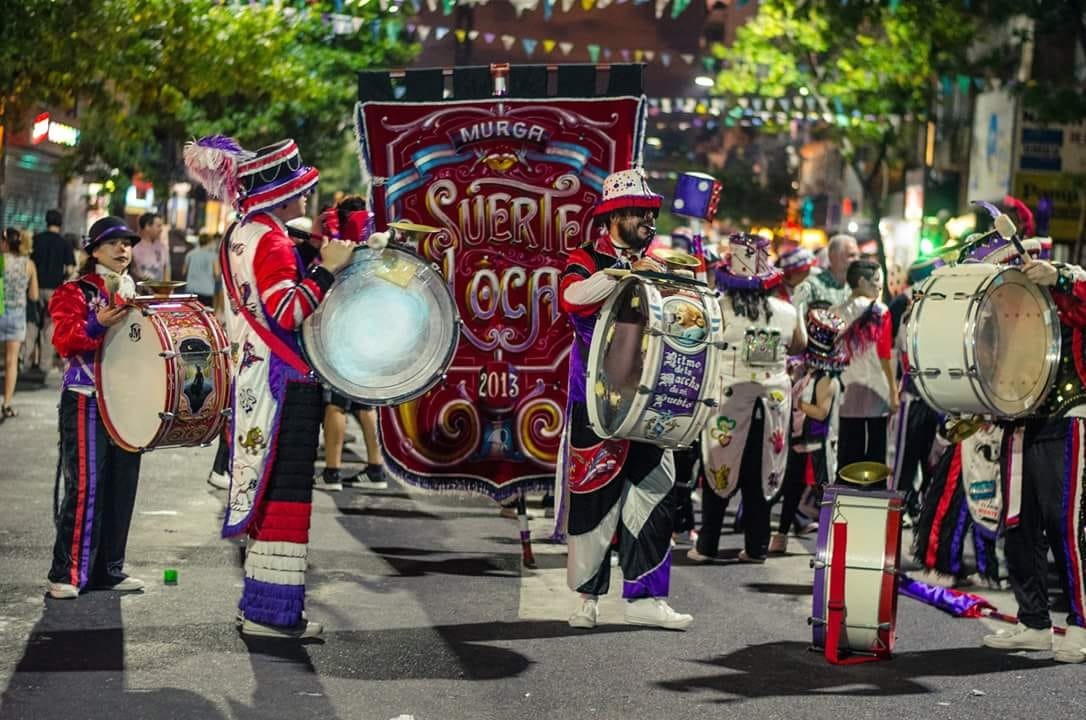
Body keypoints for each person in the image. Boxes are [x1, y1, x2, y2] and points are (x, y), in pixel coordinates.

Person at [185, 135, 355, 639]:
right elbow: (288, 310)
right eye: (300, 190)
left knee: (266, 493)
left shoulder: (239, 233)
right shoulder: (273, 239)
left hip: (253, 374)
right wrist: (327, 270)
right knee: (285, 498)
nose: (306, 198)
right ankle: (275, 618)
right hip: (284, 381)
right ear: (280, 195)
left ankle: (261, 608)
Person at [560, 168, 692, 631]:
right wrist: (623, 273)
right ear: (615, 216)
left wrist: (671, 283)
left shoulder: (654, 263)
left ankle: (646, 597)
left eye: (650, 214)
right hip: (596, 401)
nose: (648, 222)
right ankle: (586, 600)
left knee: (656, 493)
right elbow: (572, 298)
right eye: (639, 213)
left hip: (649, 401)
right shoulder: (586, 258)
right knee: (593, 496)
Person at [976, 256, 1086, 663]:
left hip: (1067, 418)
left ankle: (1082, 623)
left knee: (1067, 526)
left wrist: (1060, 275)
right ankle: (1035, 622)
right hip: (1019, 419)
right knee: (1019, 525)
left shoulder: (1067, 285)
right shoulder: (1006, 303)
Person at [46, 216, 144, 598]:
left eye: (128, 243)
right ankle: (66, 574)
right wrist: (97, 322)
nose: (124, 249)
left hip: (129, 401)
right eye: (115, 242)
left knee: (123, 486)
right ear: (94, 250)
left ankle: (109, 570)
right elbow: (65, 341)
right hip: (86, 398)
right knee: (85, 486)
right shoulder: (75, 291)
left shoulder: (135, 288)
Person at [690, 233, 804, 564]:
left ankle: (708, 544)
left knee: (718, 467)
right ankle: (756, 546)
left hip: (728, 401)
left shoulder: (716, 308)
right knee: (762, 470)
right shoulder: (786, 311)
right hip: (771, 405)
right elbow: (799, 345)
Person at [314, 196, 389, 492]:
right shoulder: (374, 250)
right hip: (369, 338)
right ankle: (375, 469)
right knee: (364, 404)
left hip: (342, 338)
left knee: (336, 404)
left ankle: (332, 472)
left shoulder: (342, 251)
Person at [770, 308, 845, 554]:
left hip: (818, 445)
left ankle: (830, 546)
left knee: (824, 493)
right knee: (791, 490)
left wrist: (796, 402)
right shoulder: (808, 373)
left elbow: (821, 412)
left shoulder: (827, 379)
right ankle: (780, 536)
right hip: (799, 442)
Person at [834, 259, 897, 467]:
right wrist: (893, 391)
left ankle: (844, 495)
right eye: (877, 280)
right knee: (875, 454)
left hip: (844, 391)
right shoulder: (881, 312)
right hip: (875, 390)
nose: (880, 285)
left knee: (847, 453)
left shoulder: (835, 313)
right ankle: (871, 496)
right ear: (861, 281)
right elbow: (884, 354)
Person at [24, 209, 75, 382]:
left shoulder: (37, 240)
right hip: (55, 290)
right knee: (49, 328)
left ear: (46, 221)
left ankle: (25, 363)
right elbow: (69, 269)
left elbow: (29, 262)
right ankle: (44, 366)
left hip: (34, 288)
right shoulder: (64, 243)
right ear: (60, 223)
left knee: (31, 325)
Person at [1, 228, 39, 418]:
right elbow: (34, 295)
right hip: (17, 316)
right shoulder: (29, 264)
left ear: (5, 243)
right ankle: (7, 403)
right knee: (11, 362)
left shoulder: (1, 260)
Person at [792, 234, 858, 320]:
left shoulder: (853, 288)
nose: (857, 260)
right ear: (833, 256)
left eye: (857, 255)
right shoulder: (811, 285)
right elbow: (797, 321)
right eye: (851, 255)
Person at [183, 233, 220, 308]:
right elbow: (217, 274)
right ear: (209, 242)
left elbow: (184, 272)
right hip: (207, 291)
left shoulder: (190, 254)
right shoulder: (213, 256)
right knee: (205, 316)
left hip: (191, 290)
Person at [131, 212, 170, 282]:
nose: (161, 229)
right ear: (147, 227)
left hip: (160, 292)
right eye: (158, 226)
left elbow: (166, 271)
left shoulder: (163, 247)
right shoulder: (133, 248)